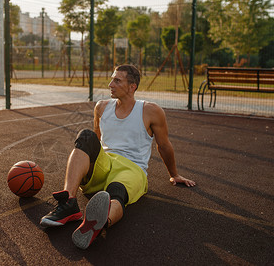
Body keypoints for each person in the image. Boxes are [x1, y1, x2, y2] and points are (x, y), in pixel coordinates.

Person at [40, 64, 196, 249]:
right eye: (112, 79)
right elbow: (95, 141)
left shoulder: (151, 111)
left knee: (117, 190)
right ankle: (69, 203)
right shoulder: (102, 107)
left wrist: (174, 174)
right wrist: (83, 167)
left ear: (132, 87)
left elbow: (164, 145)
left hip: (132, 169)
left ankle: (100, 222)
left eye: (117, 80)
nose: (110, 84)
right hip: (105, 164)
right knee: (85, 136)